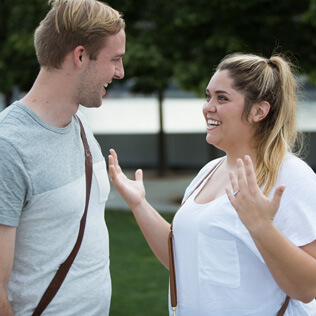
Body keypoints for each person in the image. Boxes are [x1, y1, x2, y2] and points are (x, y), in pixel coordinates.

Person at [108, 53, 316, 315]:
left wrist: (261, 226)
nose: (208, 107)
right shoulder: (208, 172)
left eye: (222, 98)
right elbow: (183, 261)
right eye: (208, 96)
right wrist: (139, 204)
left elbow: (308, 286)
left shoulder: (289, 175)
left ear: (258, 111)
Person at [0, 0, 125, 314]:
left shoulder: (80, 123)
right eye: (115, 59)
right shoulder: (8, 147)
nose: (120, 72)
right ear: (81, 56)